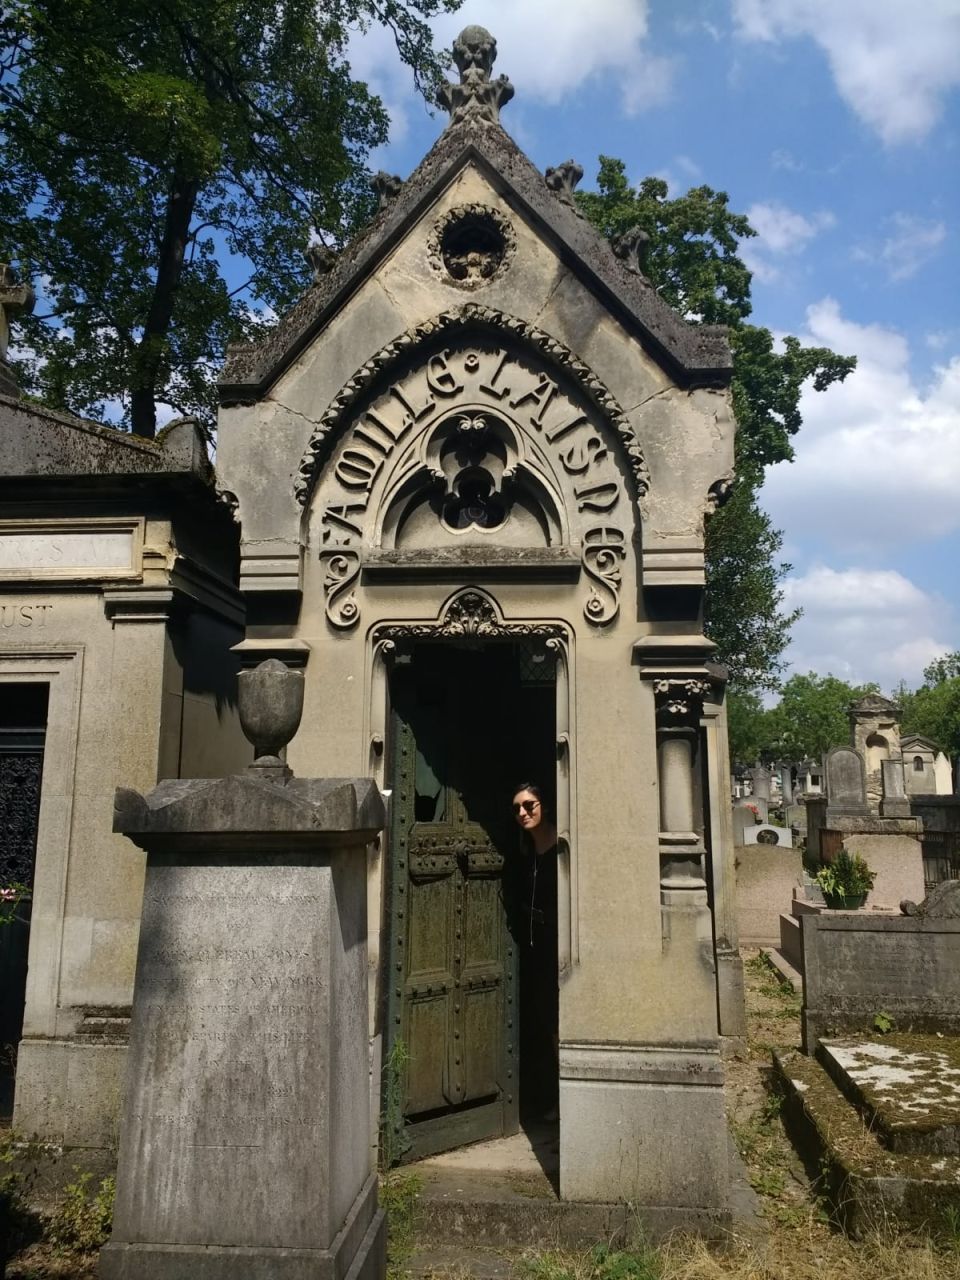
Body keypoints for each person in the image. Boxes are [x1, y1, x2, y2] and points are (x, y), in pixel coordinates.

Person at [511, 782, 559, 1121]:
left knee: (555, 1024)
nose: (523, 813)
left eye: (530, 805)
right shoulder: (524, 851)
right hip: (530, 947)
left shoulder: (562, 847)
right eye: (517, 808)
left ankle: (561, 1100)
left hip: (555, 946)